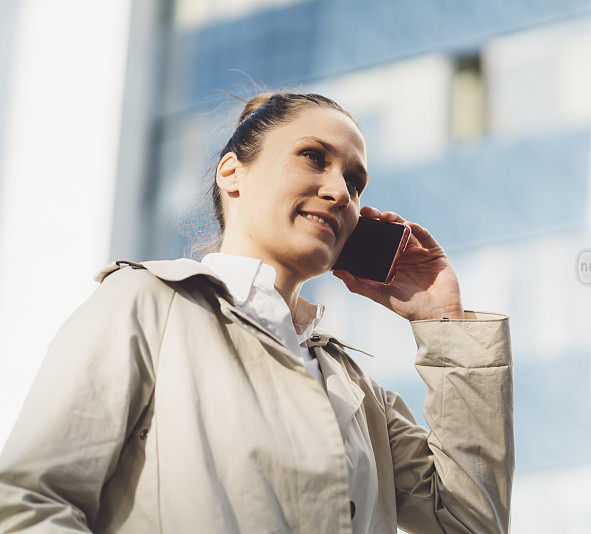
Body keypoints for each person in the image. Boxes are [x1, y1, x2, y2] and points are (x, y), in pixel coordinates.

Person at [0, 91, 514, 533]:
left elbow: (471, 522)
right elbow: (33, 501)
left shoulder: (359, 394)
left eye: (355, 183)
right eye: (314, 158)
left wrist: (441, 320)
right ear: (231, 172)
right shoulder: (149, 303)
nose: (339, 192)